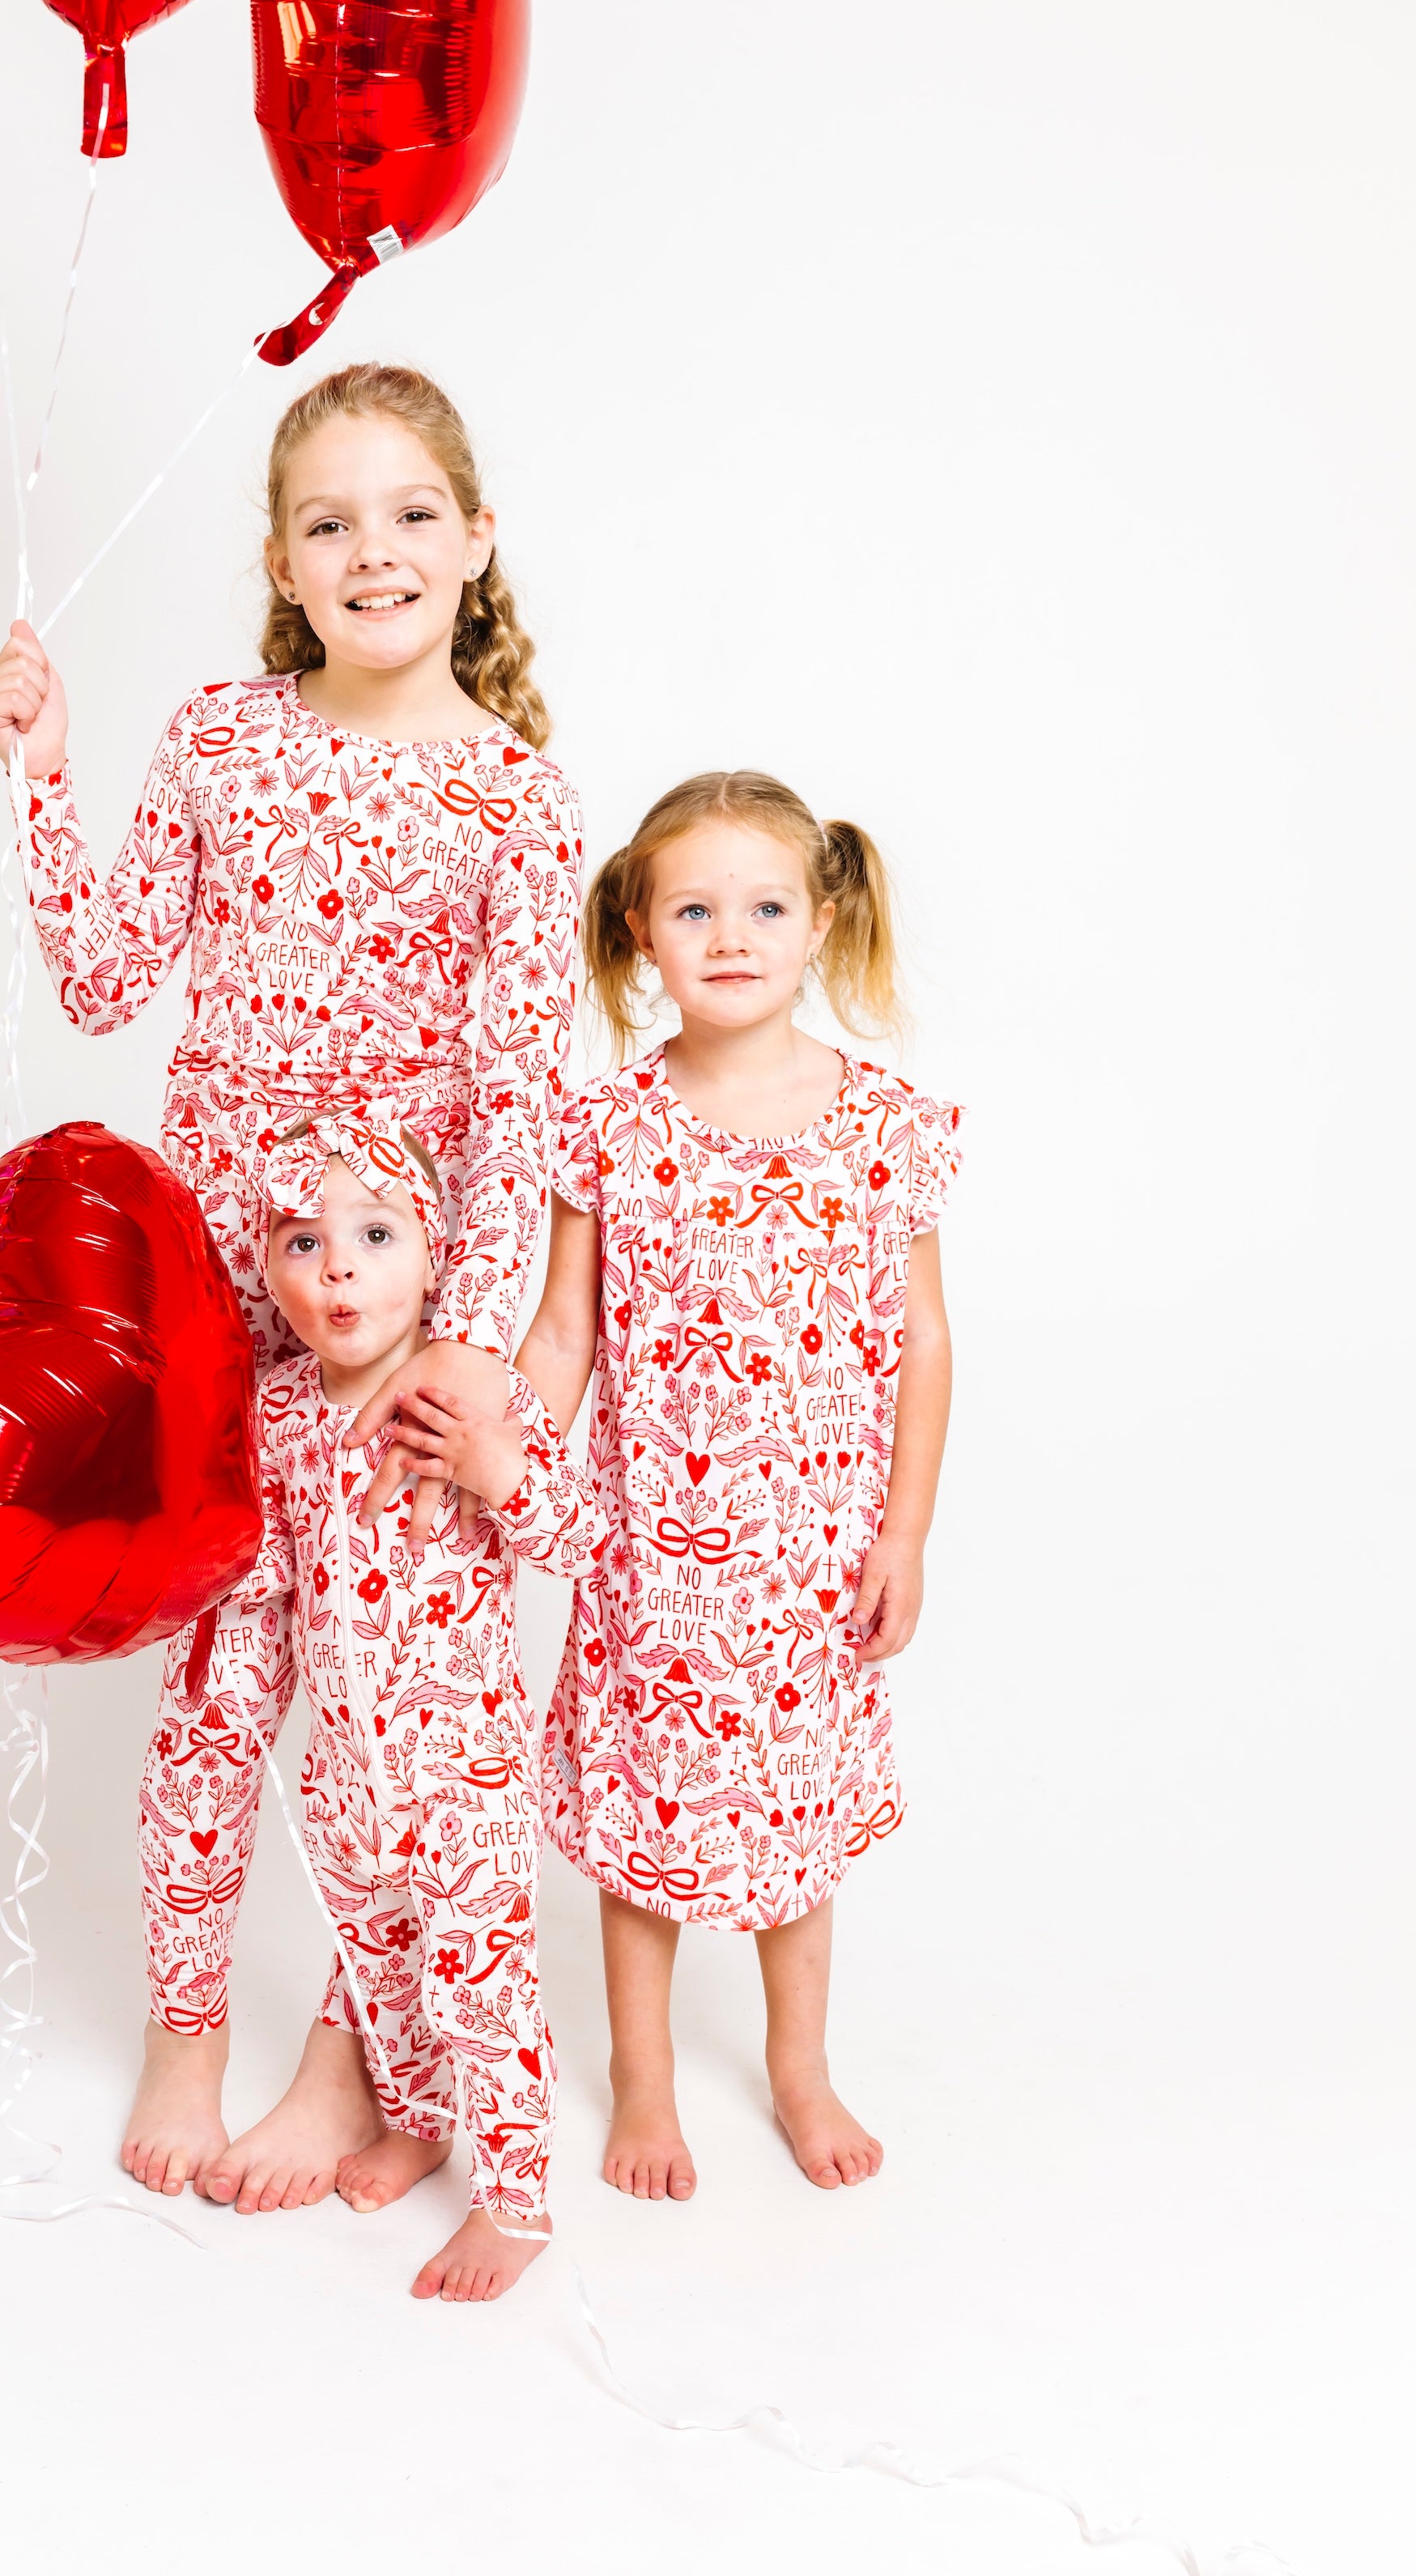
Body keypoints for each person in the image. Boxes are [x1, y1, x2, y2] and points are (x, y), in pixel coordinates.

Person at [0, 365, 583, 2204]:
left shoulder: (516, 800)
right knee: (225, 1696)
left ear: (475, 543)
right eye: (330, 521)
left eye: (410, 514)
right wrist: (39, 770)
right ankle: (185, 2033)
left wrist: (469, 1354)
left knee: (395, 1716)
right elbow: (103, 979)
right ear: (280, 561)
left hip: (400, 1332)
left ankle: (344, 2069)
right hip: (233, 1311)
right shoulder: (223, 739)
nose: (371, 550)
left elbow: (519, 1099)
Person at [516, 772, 959, 2202]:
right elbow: (564, 1334)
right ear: (640, 933)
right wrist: (505, 1471)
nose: (729, 937)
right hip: (650, 1564)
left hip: (810, 1566)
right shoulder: (610, 1125)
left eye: (764, 908)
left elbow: (922, 1338)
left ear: (818, 921)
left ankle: (798, 2069)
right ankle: (643, 2084)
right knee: (641, 1833)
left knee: (796, 1834)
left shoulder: (885, 1125)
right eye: (693, 910)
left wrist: (903, 1534)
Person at [206, 1111, 602, 2300]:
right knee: (379, 1968)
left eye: (375, 1236)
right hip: (344, 1777)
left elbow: (579, 1539)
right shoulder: (279, 1414)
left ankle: (516, 2201)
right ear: (268, 1270)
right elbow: (269, 1576)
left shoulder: (472, 1397)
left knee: (480, 1983)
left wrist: (496, 1473)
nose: (338, 1268)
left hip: (463, 1774)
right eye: (303, 1241)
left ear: (436, 1262)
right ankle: (419, 2124)